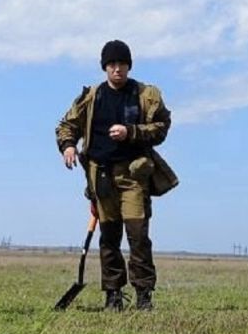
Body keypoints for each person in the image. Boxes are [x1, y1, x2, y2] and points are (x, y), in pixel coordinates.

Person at [55, 40, 172, 311]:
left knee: (138, 236)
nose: (117, 69)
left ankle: (143, 296)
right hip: (101, 176)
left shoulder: (146, 95)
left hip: (133, 176)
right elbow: (66, 125)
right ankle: (113, 295)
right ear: (105, 67)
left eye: (122, 64)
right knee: (109, 238)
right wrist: (69, 145)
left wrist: (131, 132)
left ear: (129, 66)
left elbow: (162, 127)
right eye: (112, 65)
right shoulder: (91, 96)